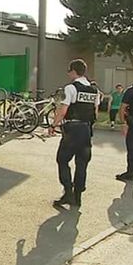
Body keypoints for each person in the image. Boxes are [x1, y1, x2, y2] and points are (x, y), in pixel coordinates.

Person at [49, 59, 100, 207]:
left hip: (72, 129)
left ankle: (68, 192)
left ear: (73, 71)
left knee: (62, 159)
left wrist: (54, 125)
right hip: (86, 129)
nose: (68, 73)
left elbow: (63, 110)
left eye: (69, 71)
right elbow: (95, 112)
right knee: (82, 163)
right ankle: (78, 196)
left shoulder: (70, 88)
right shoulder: (94, 90)